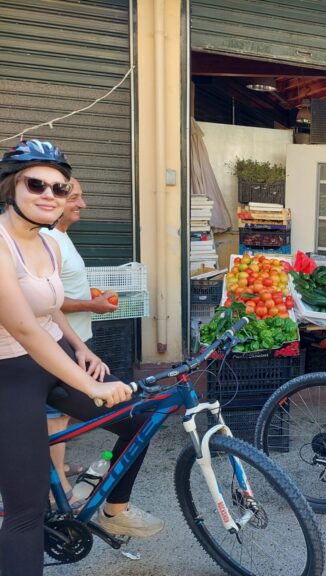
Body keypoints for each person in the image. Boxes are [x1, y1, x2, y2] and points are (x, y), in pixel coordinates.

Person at [0, 140, 162, 576]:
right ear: (11, 187)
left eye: (59, 186)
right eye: (37, 184)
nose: (49, 194)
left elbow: (49, 308)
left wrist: (82, 348)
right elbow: (24, 328)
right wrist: (90, 385)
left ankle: (115, 508)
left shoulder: (49, 244)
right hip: (9, 373)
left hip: (52, 356)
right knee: (25, 511)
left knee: (139, 419)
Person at [41, 178, 119, 506]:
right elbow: (48, 302)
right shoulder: (47, 239)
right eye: (75, 198)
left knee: (59, 417)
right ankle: (56, 487)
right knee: (54, 418)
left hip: (74, 341)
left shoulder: (61, 237)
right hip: (56, 345)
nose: (82, 204)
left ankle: (57, 469)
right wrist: (92, 305)